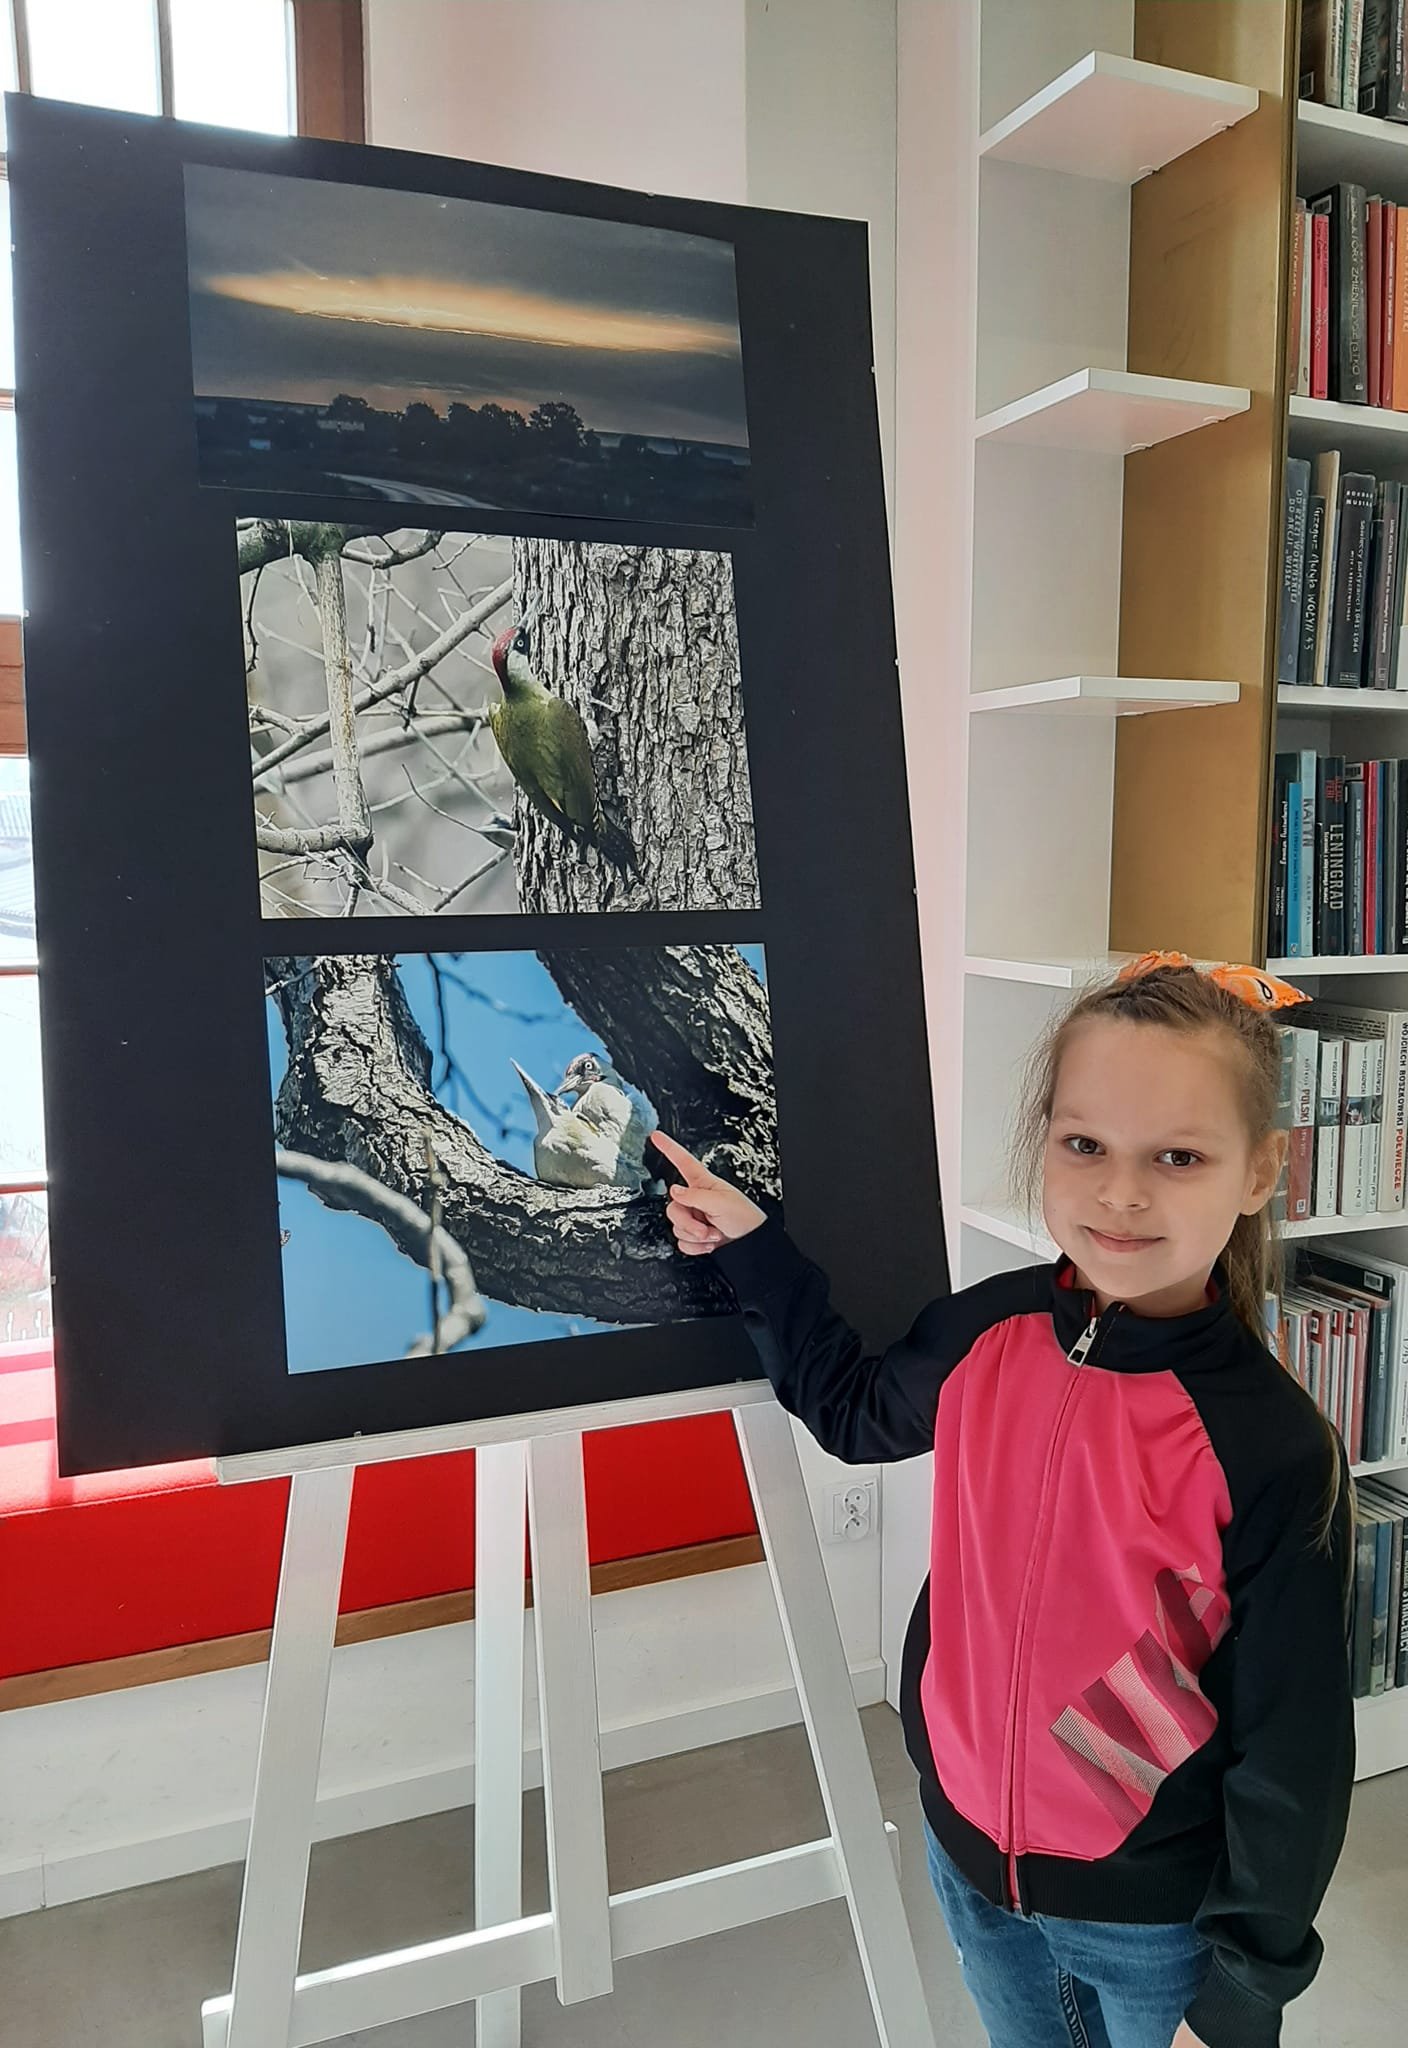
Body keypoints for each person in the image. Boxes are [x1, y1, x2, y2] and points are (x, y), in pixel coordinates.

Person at [651, 953, 1354, 2048]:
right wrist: (755, 1250)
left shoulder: (1266, 1441)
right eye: (1085, 1145)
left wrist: (1239, 1992)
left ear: (1261, 1170)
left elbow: (1293, 1747)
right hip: (969, 1864)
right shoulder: (986, 1331)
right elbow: (854, 1409)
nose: (1122, 1192)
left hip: (1154, 1924)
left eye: (1177, 1156)